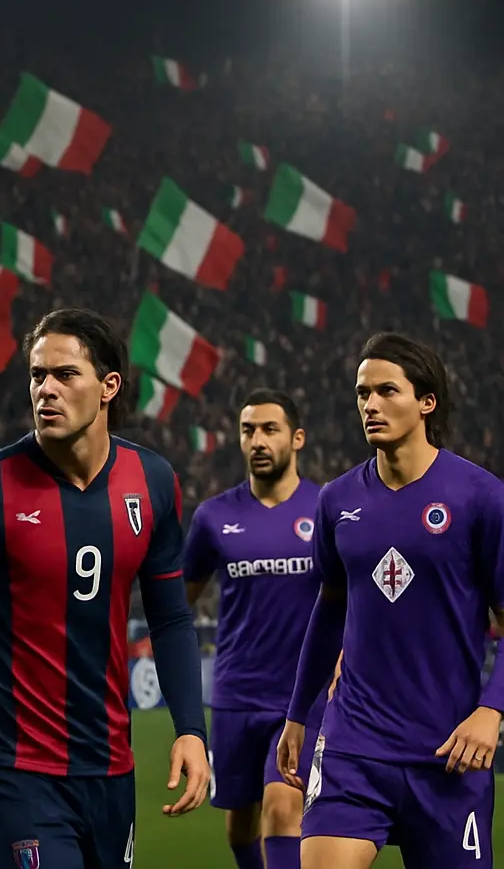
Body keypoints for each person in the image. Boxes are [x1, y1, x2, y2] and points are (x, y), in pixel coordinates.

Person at [0, 307, 210, 869]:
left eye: (65, 375)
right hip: (14, 767)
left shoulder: (153, 482)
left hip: (110, 764)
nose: (46, 389)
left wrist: (190, 729)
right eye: (38, 375)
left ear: (108, 386)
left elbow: (170, 619)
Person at [277, 332, 504, 869]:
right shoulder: (337, 501)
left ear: (426, 402)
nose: (370, 405)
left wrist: (491, 710)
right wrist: (298, 714)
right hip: (353, 743)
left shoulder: (481, 497)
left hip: (448, 750)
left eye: (386, 391)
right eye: (362, 393)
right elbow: (329, 609)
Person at [182, 389, 326, 869]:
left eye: (270, 429)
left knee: (283, 808)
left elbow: (352, 601)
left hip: (302, 700)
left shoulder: (325, 509)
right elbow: (179, 601)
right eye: (249, 431)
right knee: (240, 824)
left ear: (297, 438)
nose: (258, 441)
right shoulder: (213, 517)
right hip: (236, 694)